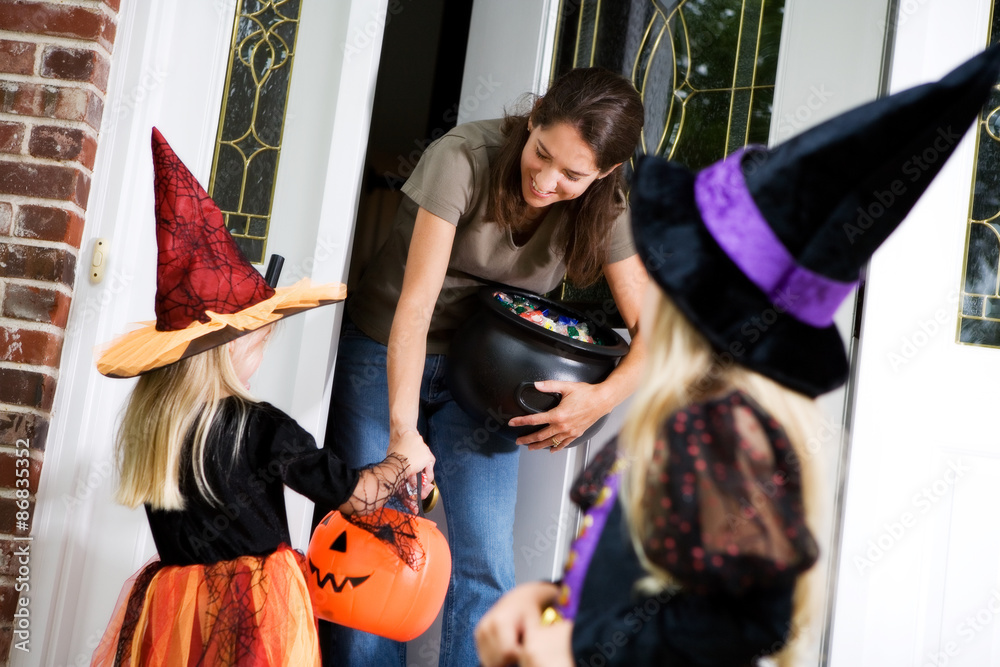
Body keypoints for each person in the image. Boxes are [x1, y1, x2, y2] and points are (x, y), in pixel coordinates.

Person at [474, 43, 1000, 666]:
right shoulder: (696, 414)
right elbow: (631, 584)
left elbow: (738, 627)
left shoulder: (723, 433)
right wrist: (545, 602)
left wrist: (574, 644)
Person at [324, 67, 648, 666]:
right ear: (533, 119)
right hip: (386, 351)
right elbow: (414, 309)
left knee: (486, 563)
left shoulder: (607, 207)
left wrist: (601, 398)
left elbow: (654, 332)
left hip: (486, 383)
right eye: (542, 153)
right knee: (374, 543)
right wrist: (402, 439)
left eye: (572, 174)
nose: (547, 180)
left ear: (603, 173)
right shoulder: (462, 159)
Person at [91, 129, 435, 666]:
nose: (259, 362)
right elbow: (359, 499)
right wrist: (401, 458)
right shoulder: (259, 426)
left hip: (177, 608)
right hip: (254, 611)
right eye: (260, 346)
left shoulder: (154, 426)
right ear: (234, 348)